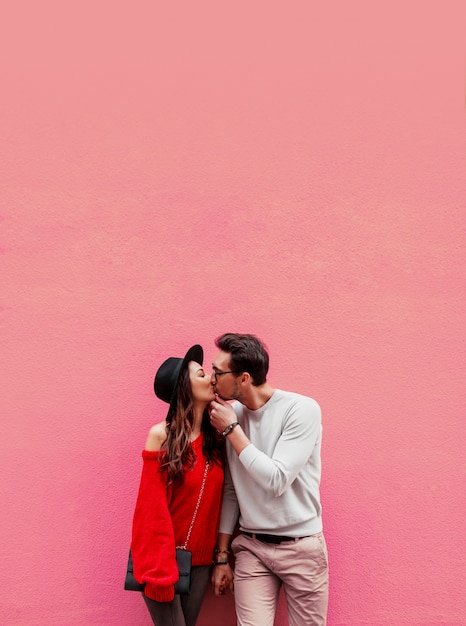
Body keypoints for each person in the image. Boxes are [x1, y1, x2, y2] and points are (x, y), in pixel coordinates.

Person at [209, 333, 329, 626]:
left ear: (244, 378)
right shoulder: (231, 414)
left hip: (302, 547)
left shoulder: (301, 409)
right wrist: (222, 557)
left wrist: (232, 431)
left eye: (217, 372)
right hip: (252, 547)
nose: (212, 379)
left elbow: (276, 479)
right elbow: (231, 490)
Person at [131, 344, 225, 626]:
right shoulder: (161, 435)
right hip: (161, 562)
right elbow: (151, 509)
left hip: (198, 563)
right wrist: (160, 573)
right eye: (201, 374)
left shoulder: (216, 438)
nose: (211, 378)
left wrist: (220, 558)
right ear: (184, 387)